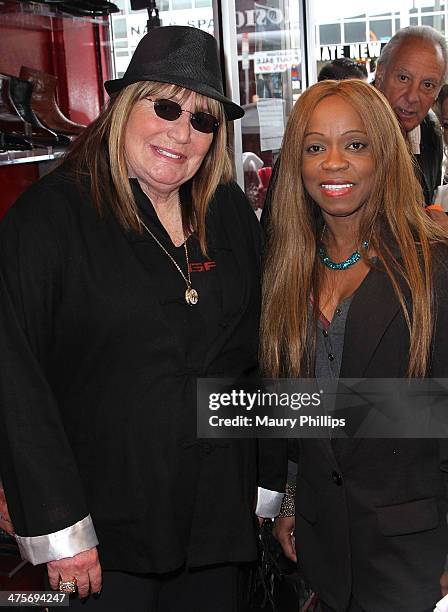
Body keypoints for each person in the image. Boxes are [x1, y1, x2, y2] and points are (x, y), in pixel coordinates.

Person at [0, 25, 263, 611]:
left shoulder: (228, 212)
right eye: (165, 105)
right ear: (122, 105)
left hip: (217, 520)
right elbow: (17, 384)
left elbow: (258, 357)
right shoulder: (48, 221)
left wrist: (272, 489)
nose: (182, 132)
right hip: (105, 540)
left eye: (203, 119)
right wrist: (61, 531)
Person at [257, 79, 448, 611]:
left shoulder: (434, 265)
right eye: (315, 147)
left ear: (384, 154)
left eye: (355, 144)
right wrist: (293, 498)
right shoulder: (286, 271)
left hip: (416, 557)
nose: (333, 163)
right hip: (324, 551)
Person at [375, 25, 447, 207]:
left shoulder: (431, 131)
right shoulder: (346, 125)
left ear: (438, 92)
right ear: (380, 73)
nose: (412, 97)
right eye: (403, 78)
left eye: (428, 85)